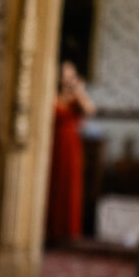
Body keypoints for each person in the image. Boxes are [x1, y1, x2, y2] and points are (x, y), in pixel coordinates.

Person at [46, 60, 95, 244]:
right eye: (64, 75)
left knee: (70, 186)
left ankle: (67, 233)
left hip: (71, 146)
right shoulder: (50, 94)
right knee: (52, 186)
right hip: (52, 145)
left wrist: (79, 91)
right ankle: (49, 231)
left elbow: (90, 111)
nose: (67, 79)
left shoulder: (77, 98)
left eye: (71, 75)